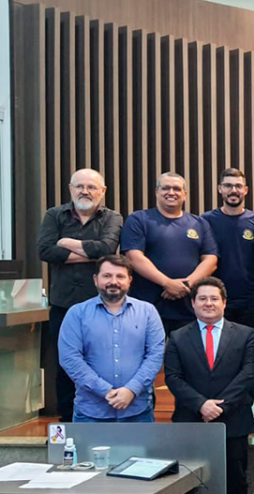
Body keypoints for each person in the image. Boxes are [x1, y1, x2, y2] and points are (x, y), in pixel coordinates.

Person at [163, 277, 254, 494]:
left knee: (236, 476)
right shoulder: (178, 337)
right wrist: (201, 405)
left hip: (233, 419)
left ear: (224, 303)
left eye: (214, 298)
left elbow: (248, 374)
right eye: (202, 298)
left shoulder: (245, 334)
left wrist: (220, 406)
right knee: (189, 476)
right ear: (193, 303)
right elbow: (173, 377)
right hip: (192, 419)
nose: (208, 303)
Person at [37, 168, 123, 422]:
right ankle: (68, 420)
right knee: (66, 364)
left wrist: (66, 243)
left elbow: (107, 248)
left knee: (102, 361)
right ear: (70, 189)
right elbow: (45, 251)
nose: (85, 191)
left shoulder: (112, 217)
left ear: (102, 191)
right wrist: (92, 254)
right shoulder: (54, 215)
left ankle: (103, 419)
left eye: (91, 187)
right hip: (63, 304)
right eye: (79, 186)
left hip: (102, 305)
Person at [58, 255, 165, 423]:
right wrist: (105, 391)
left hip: (138, 412)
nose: (113, 282)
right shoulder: (76, 314)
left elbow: (155, 355)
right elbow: (70, 359)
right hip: (91, 413)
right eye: (107, 276)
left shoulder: (148, 312)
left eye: (120, 276)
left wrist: (132, 390)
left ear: (129, 280)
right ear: (95, 279)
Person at [121, 172, 218, 333]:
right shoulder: (139, 219)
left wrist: (185, 285)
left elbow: (211, 260)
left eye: (177, 189)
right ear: (156, 192)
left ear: (185, 194)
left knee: (187, 350)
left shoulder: (200, 223)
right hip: (148, 306)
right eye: (165, 188)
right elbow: (133, 257)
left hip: (188, 308)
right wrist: (167, 283)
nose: (171, 192)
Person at [202, 168, 254, 329]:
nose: (233, 190)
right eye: (228, 186)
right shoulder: (206, 221)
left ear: (246, 190)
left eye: (238, 186)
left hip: (251, 301)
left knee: (247, 343)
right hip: (215, 298)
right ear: (220, 189)